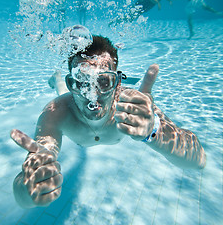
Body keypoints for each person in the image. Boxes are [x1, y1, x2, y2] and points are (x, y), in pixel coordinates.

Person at [11, 35, 206, 208]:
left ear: (117, 83)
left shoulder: (134, 109)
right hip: (66, 102)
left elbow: (199, 161)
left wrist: (155, 131)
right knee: (61, 95)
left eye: (104, 81)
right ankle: (59, 80)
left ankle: (62, 79)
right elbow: (34, 168)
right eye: (81, 82)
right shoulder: (55, 113)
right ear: (73, 85)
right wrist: (27, 189)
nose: (93, 95)